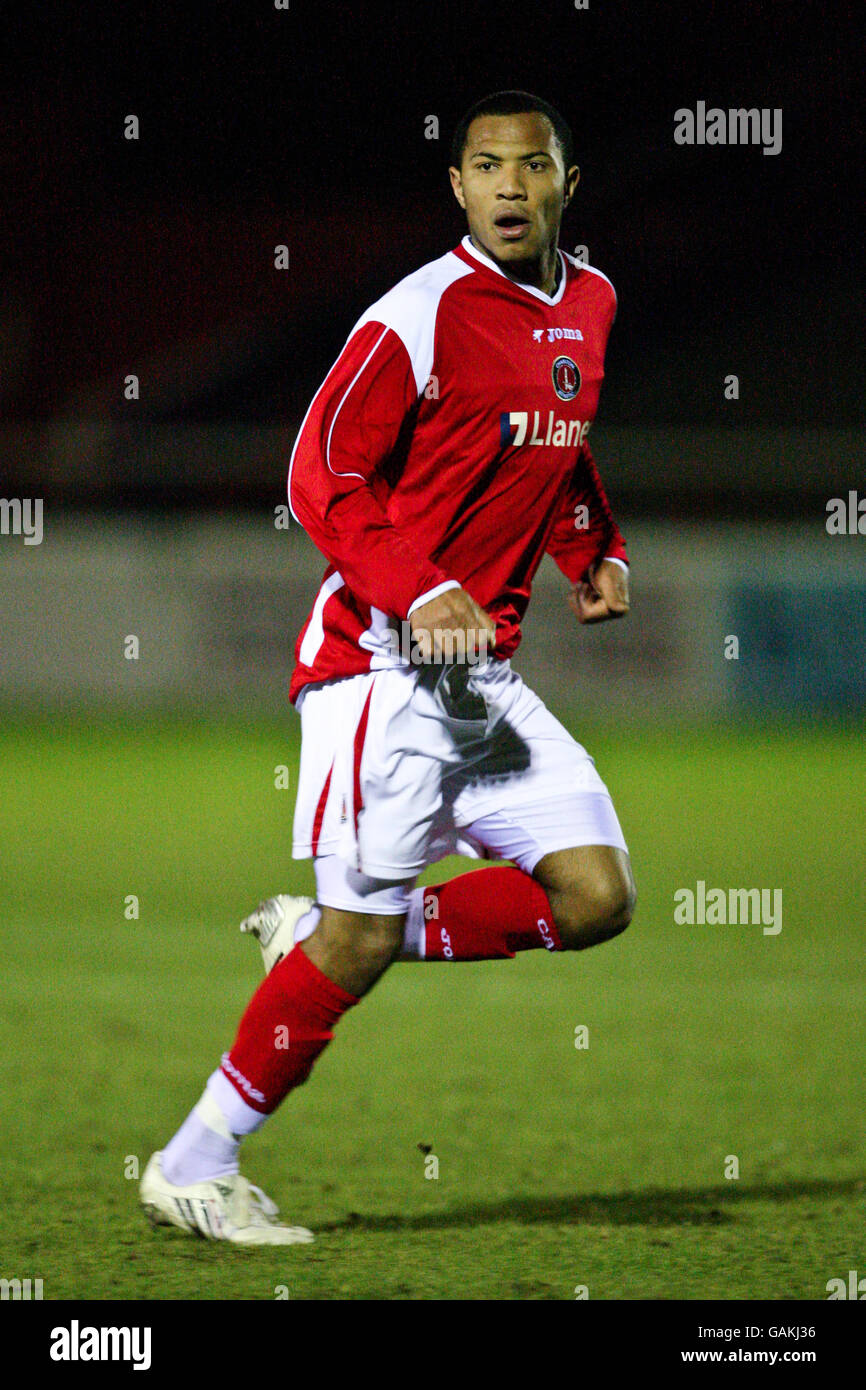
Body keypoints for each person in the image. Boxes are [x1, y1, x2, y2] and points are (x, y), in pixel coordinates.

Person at [140, 89, 636, 1245]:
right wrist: (418, 584)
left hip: (480, 680)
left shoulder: (593, 302)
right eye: (485, 168)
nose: (510, 185)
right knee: (349, 945)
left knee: (594, 893)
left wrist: (590, 548)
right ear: (455, 187)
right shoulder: (415, 314)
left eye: (532, 166)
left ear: (566, 183)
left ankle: (338, 929)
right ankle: (192, 1163)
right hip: (378, 667)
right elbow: (321, 476)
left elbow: (556, 440)